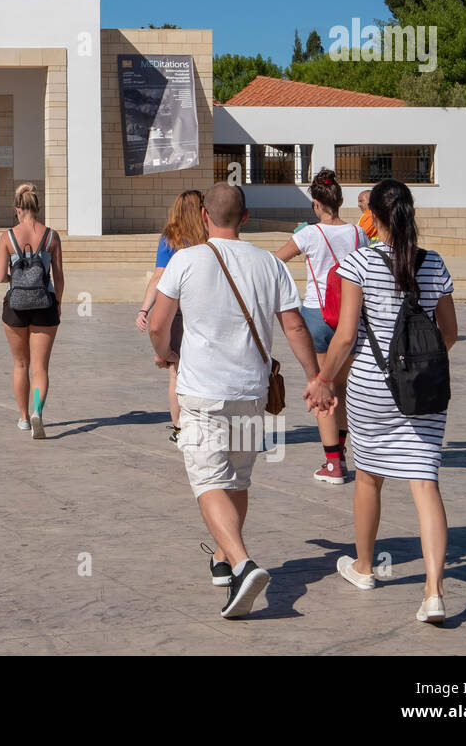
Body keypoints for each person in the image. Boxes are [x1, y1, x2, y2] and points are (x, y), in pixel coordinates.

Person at [150, 183, 327, 619]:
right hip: (252, 392)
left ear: (205, 217)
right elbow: (295, 329)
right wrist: (315, 378)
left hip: (202, 393)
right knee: (237, 481)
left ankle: (244, 563)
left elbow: (159, 322)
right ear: (245, 218)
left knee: (208, 482)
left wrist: (165, 353)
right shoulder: (270, 264)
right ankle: (224, 559)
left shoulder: (186, 260)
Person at [305, 180, 458, 625]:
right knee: (425, 483)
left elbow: (347, 336)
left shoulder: (360, 263)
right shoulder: (433, 264)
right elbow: (449, 333)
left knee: (370, 478)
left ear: (376, 217)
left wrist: (323, 379)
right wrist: (418, 364)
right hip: (425, 389)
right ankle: (433, 593)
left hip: (372, 387)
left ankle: (365, 567)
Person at [274, 169, 366, 484]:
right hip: (351, 316)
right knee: (340, 387)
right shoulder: (358, 233)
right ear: (340, 201)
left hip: (316, 314)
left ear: (316, 204)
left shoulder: (309, 234)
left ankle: (333, 464)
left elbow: (275, 261)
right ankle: (339, 454)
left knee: (320, 386)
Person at [136, 190, 206, 444]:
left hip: (177, 313)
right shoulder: (208, 238)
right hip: (204, 312)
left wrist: (145, 309)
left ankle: (180, 428)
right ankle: (203, 425)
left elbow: (158, 277)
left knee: (176, 371)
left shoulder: (170, 239)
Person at [0, 183, 64, 440]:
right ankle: (38, 410)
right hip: (45, 304)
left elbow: (1, 276)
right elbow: (59, 276)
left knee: (20, 364)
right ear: (37, 207)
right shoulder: (51, 236)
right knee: (40, 368)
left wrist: (18, 275)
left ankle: (24, 418)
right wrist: (58, 301)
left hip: (15, 307)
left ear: (17, 209)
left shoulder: (7, 237)